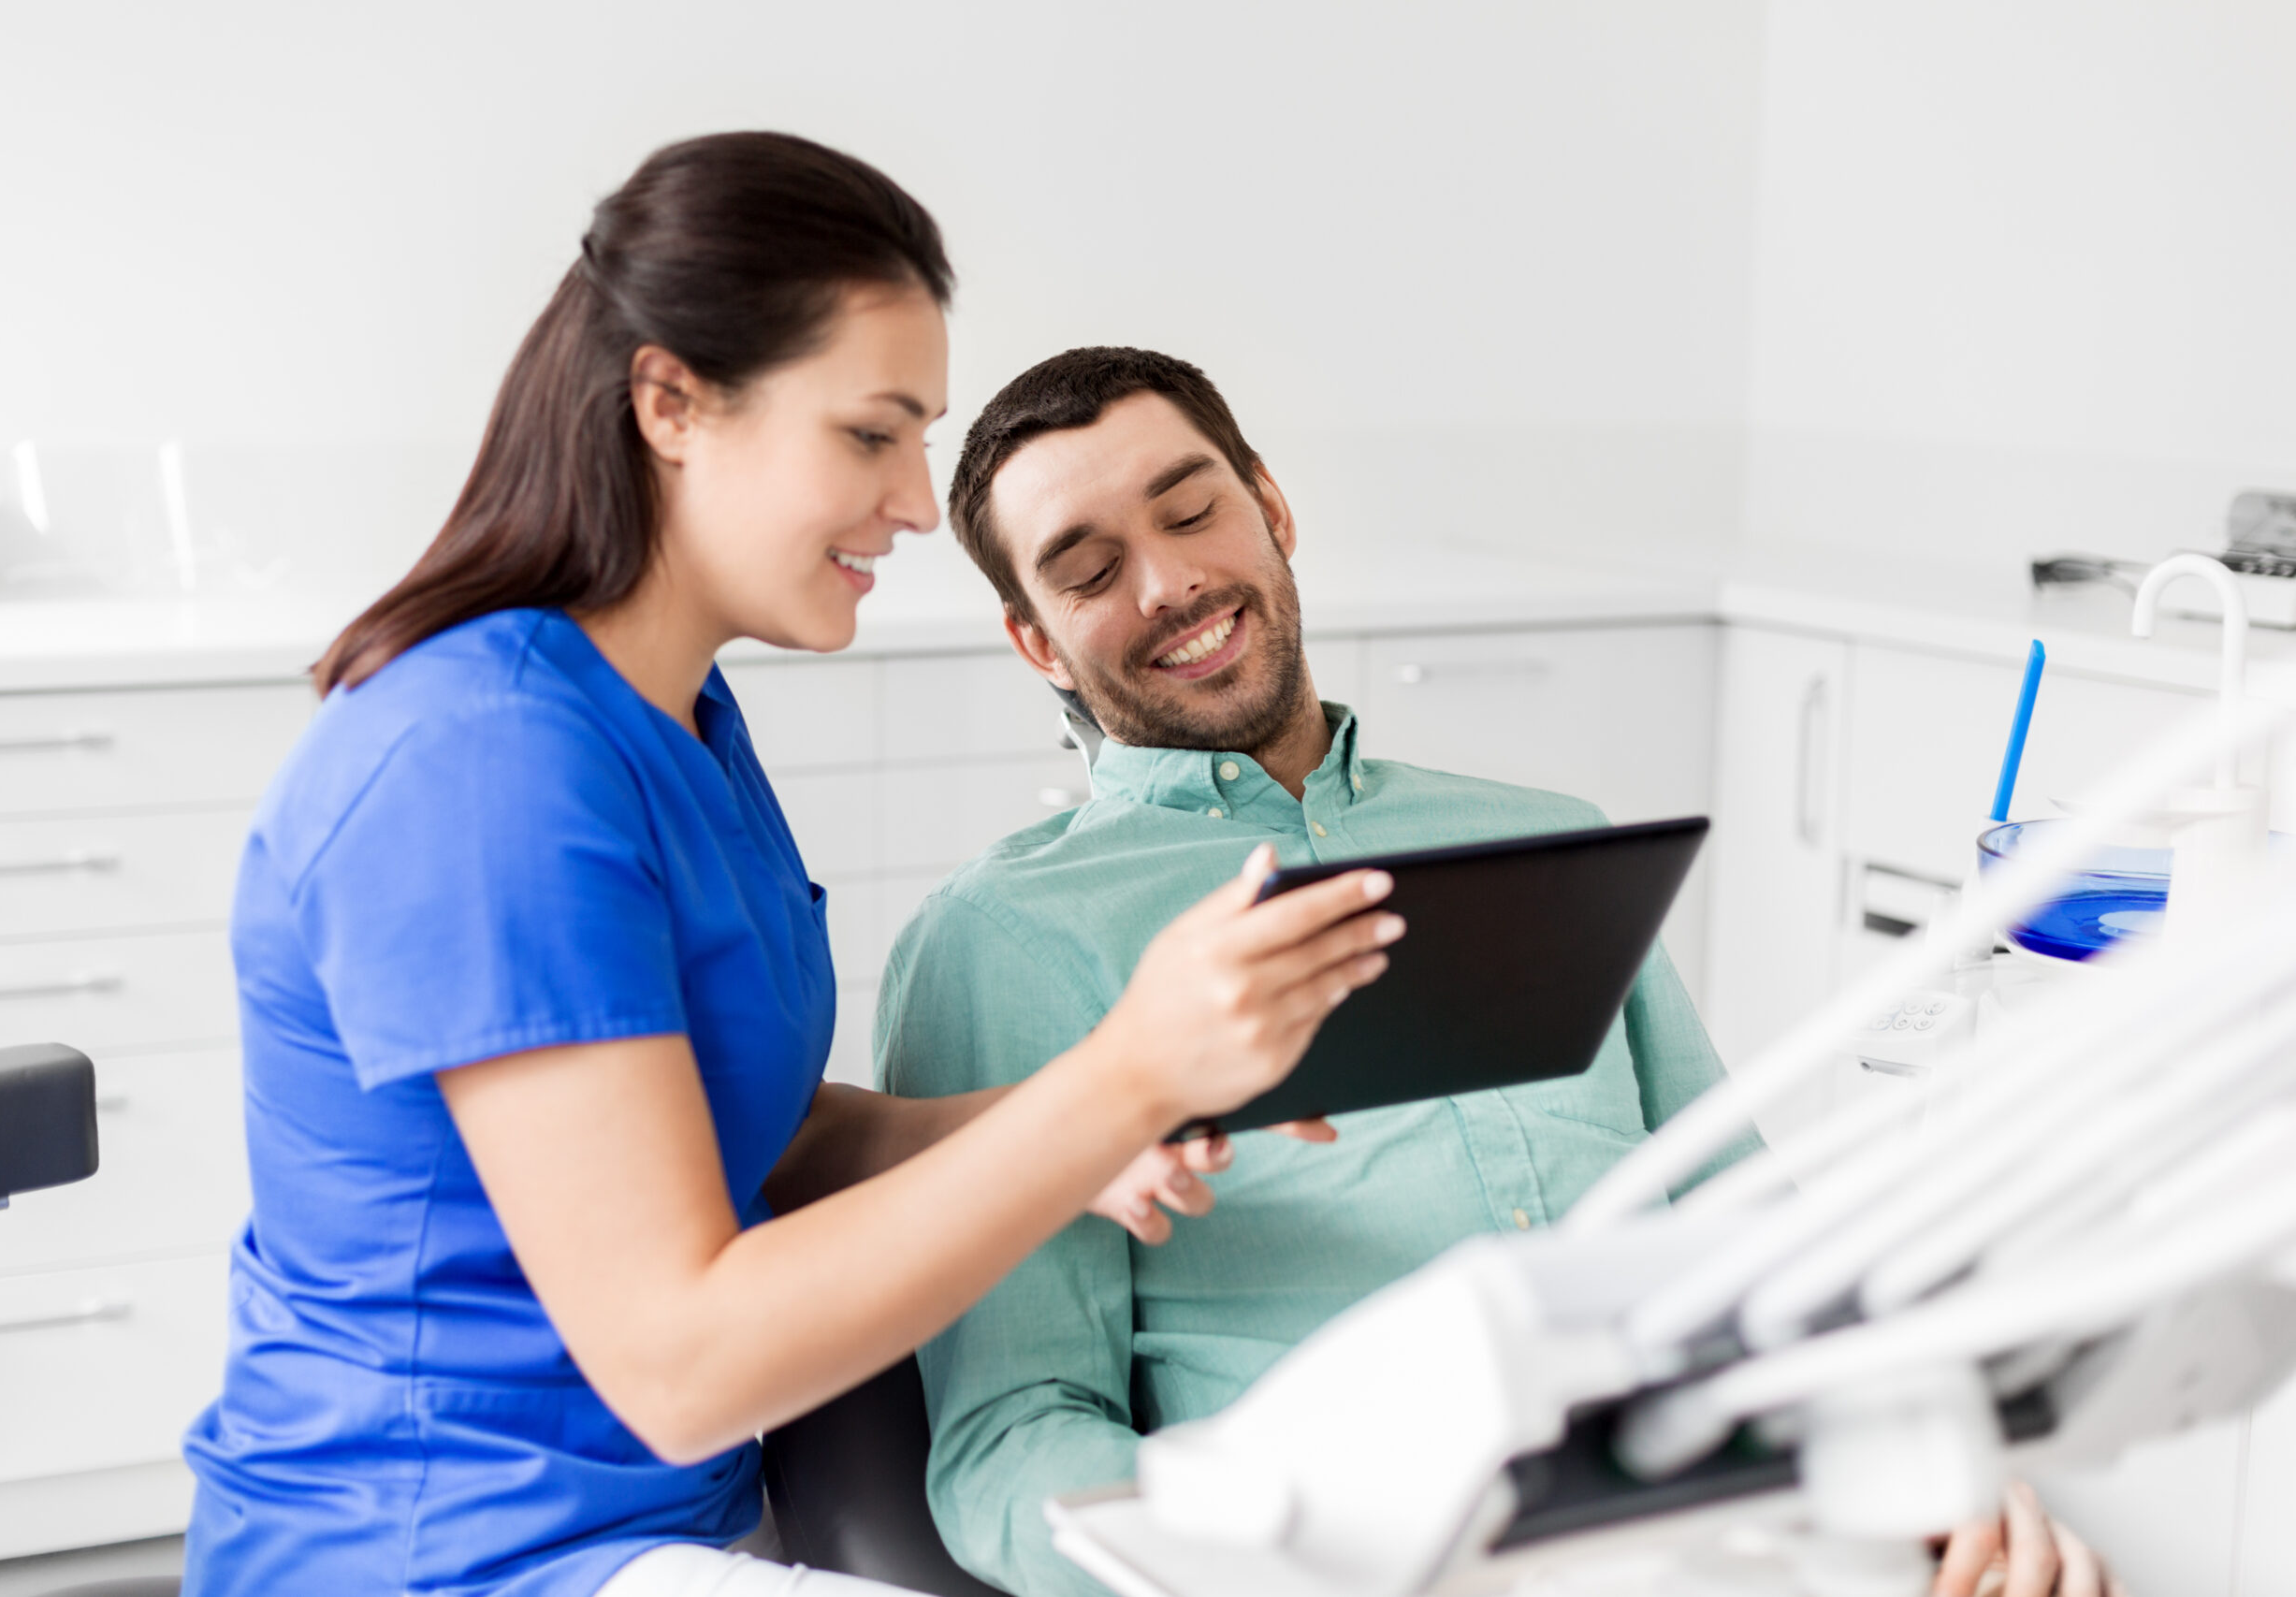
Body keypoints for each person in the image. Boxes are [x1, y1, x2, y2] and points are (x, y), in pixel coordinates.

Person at [179, 142, 1399, 1597]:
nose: (908, 502)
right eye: (873, 435)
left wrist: (1087, 1137)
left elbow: (744, 1126)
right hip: (444, 1555)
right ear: (672, 402)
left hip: (662, 1527)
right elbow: (681, 1366)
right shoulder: (482, 765)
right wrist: (1119, 1077)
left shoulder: (674, 713)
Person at [877, 347, 2118, 1597]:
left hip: (1709, 1532)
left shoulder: (1553, 838)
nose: (1170, 582)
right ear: (1037, 642)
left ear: (1273, 507)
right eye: (1091, 572)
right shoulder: (1007, 941)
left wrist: (1927, 1458)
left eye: (1194, 511)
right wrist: (1270, 1558)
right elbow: (1010, 1447)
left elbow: (1755, 1243)